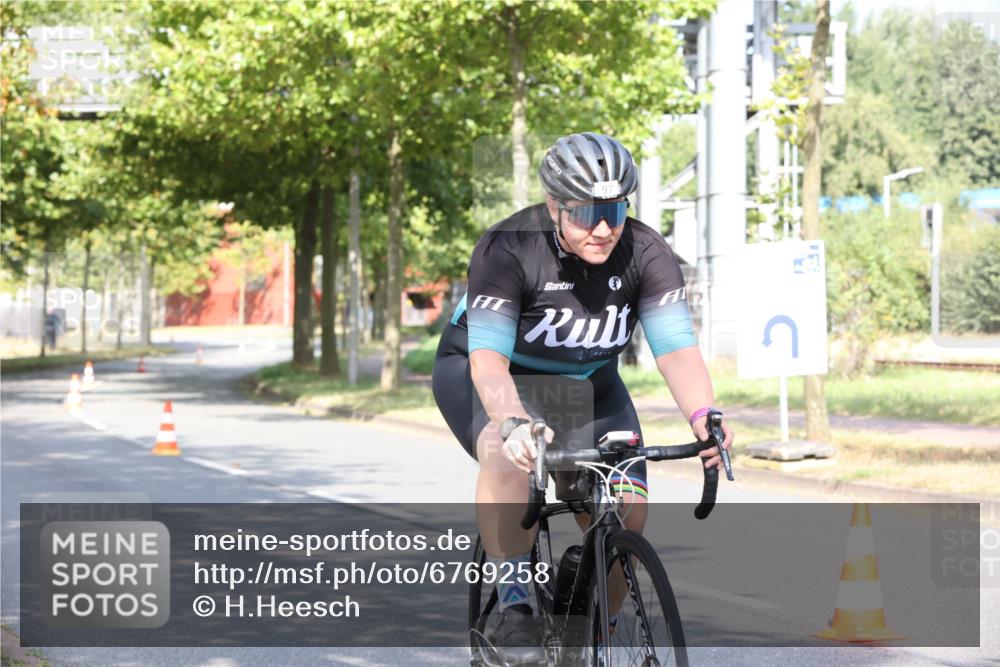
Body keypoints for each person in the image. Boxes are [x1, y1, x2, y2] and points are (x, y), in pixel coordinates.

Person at [432, 132, 734, 664]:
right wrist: (511, 422)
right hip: (493, 375)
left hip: (588, 384)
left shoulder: (645, 252)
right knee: (505, 455)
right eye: (585, 213)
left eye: (614, 210)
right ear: (554, 206)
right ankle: (516, 604)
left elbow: (676, 350)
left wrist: (703, 414)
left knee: (629, 506)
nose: (602, 228)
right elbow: (488, 362)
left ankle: (590, 623)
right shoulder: (508, 248)